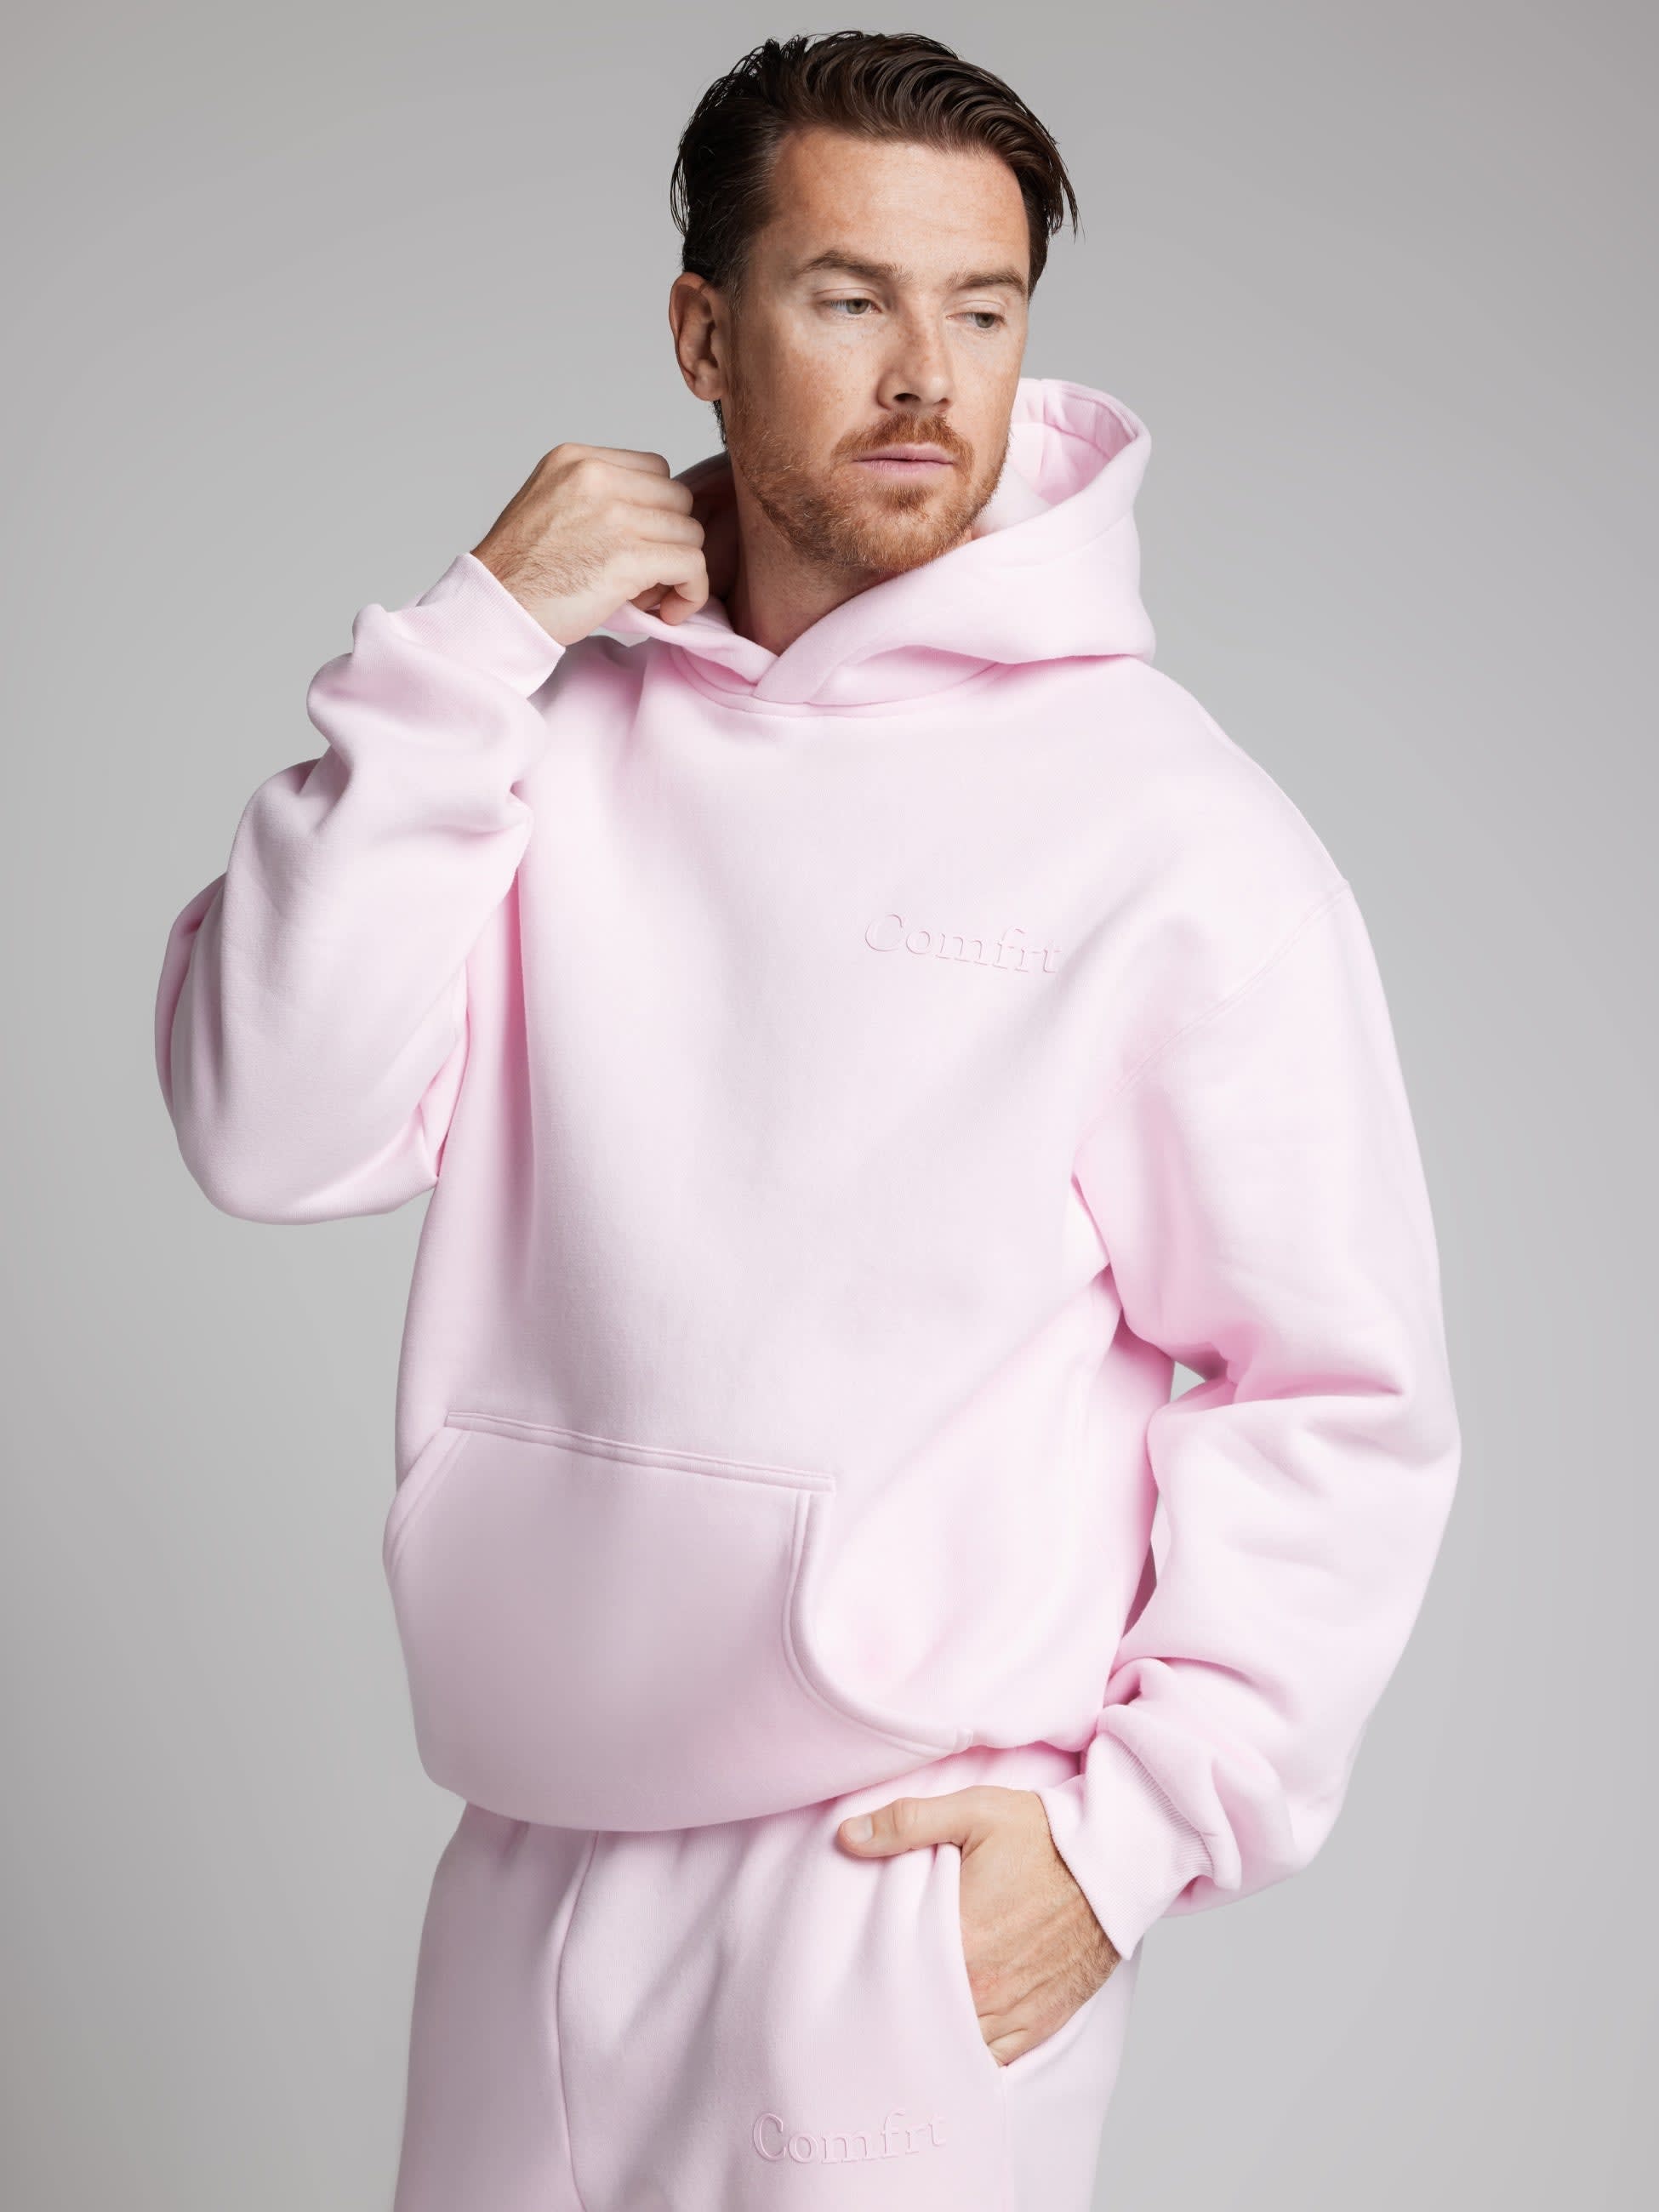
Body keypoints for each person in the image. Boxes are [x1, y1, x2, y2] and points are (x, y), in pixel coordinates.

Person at [153, 28, 1462, 2212]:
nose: (928, 376)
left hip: (888, 1882)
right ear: (704, 333)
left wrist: (1127, 1838)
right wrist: (471, 642)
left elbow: (1338, 1384)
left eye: (983, 309)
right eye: (851, 299)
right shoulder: (531, 731)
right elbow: (263, 1120)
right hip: (525, 1855)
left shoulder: (1167, 829)